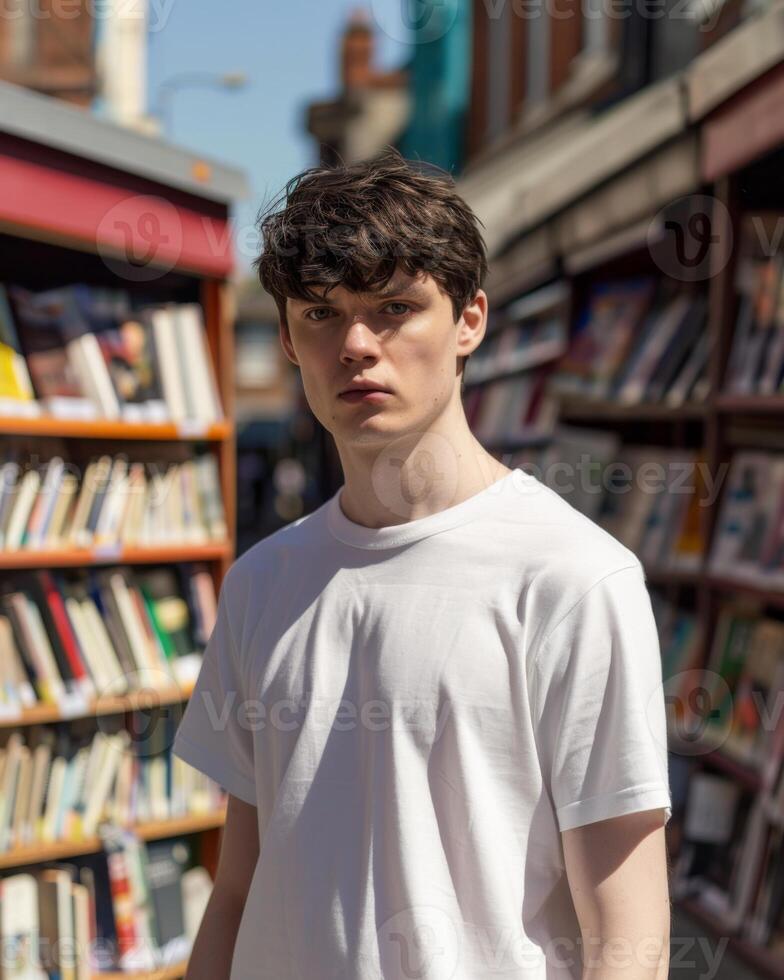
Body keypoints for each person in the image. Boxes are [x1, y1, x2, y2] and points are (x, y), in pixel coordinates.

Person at [172, 147, 673, 980]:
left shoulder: (575, 578)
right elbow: (236, 890)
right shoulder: (263, 582)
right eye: (321, 315)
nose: (357, 345)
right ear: (290, 341)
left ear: (469, 320)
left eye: (395, 308)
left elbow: (628, 932)